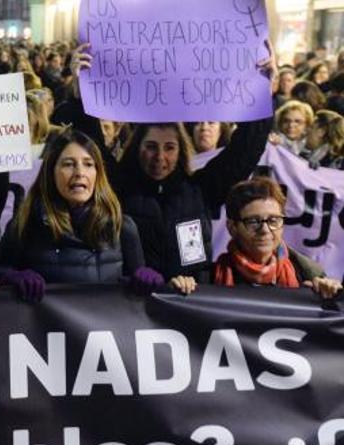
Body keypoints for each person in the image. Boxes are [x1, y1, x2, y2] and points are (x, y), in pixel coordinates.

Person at [69, 41, 275, 282]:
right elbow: (90, 145)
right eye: (151, 147)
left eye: (169, 148)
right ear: (137, 148)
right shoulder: (117, 186)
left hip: (191, 305)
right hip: (129, 305)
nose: (160, 157)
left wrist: (263, 92)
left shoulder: (201, 190)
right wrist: (80, 91)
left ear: (181, 152)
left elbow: (244, 151)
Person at [0, 129, 147, 302]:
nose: (79, 172)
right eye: (68, 164)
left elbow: (138, 294)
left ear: (98, 173)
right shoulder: (24, 224)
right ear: (51, 172)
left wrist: (144, 281)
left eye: (88, 164)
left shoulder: (122, 227)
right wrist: (12, 277)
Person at [170, 177, 342, 299]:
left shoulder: (308, 274)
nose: (265, 229)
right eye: (253, 221)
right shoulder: (206, 280)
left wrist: (332, 294)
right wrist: (178, 290)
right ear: (232, 227)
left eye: (274, 220)